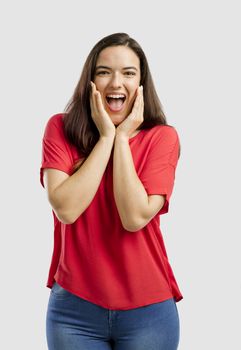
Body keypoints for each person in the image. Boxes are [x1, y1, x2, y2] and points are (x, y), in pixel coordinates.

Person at [40, 32, 183, 350]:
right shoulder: (60, 129)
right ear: (89, 82)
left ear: (141, 85)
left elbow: (134, 217)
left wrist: (121, 138)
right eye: (104, 72)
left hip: (148, 312)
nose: (115, 82)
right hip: (73, 312)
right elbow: (66, 207)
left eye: (128, 73)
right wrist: (105, 138)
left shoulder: (162, 138)